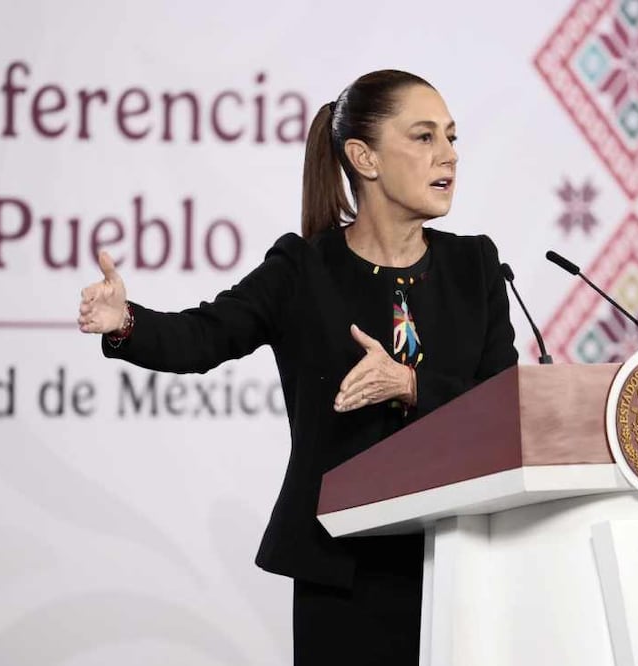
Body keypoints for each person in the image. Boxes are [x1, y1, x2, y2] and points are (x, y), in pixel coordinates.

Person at [77, 69, 518, 665]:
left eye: (451, 136)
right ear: (364, 158)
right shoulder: (303, 270)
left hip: (463, 565)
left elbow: (503, 408)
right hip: (345, 573)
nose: (449, 155)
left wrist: (410, 384)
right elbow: (203, 336)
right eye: (424, 137)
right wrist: (126, 320)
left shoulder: (476, 265)